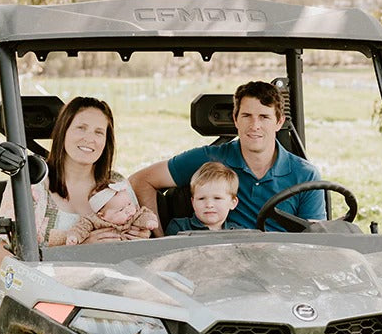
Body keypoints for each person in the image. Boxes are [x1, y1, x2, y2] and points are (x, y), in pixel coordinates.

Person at [131, 80, 326, 232]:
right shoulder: (210, 159)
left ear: (279, 122)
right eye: (246, 116)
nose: (255, 125)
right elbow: (141, 180)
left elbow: (315, 240)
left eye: (264, 117)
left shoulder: (305, 175)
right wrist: (159, 237)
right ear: (235, 119)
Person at [0, 94, 151, 269]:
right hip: (46, 284)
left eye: (99, 132)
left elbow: (141, 251)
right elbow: (4, 258)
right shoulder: (30, 182)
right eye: (81, 128)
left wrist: (139, 236)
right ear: (63, 131)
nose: (89, 138)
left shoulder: (117, 184)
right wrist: (81, 251)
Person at [65, 182, 158, 244]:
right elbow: (81, 227)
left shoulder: (134, 215)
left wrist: (149, 222)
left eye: (129, 204)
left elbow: (145, 215)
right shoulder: (95, 220)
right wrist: (74, 237)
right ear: (102, 216)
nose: (128, 210)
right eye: (120, 210)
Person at [165, 161, 240, 234]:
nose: (209, 205)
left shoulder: (239, 233)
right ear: (193, 202)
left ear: (233, 203)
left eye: (217, 198)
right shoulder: (179, 228)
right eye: (201, 198)